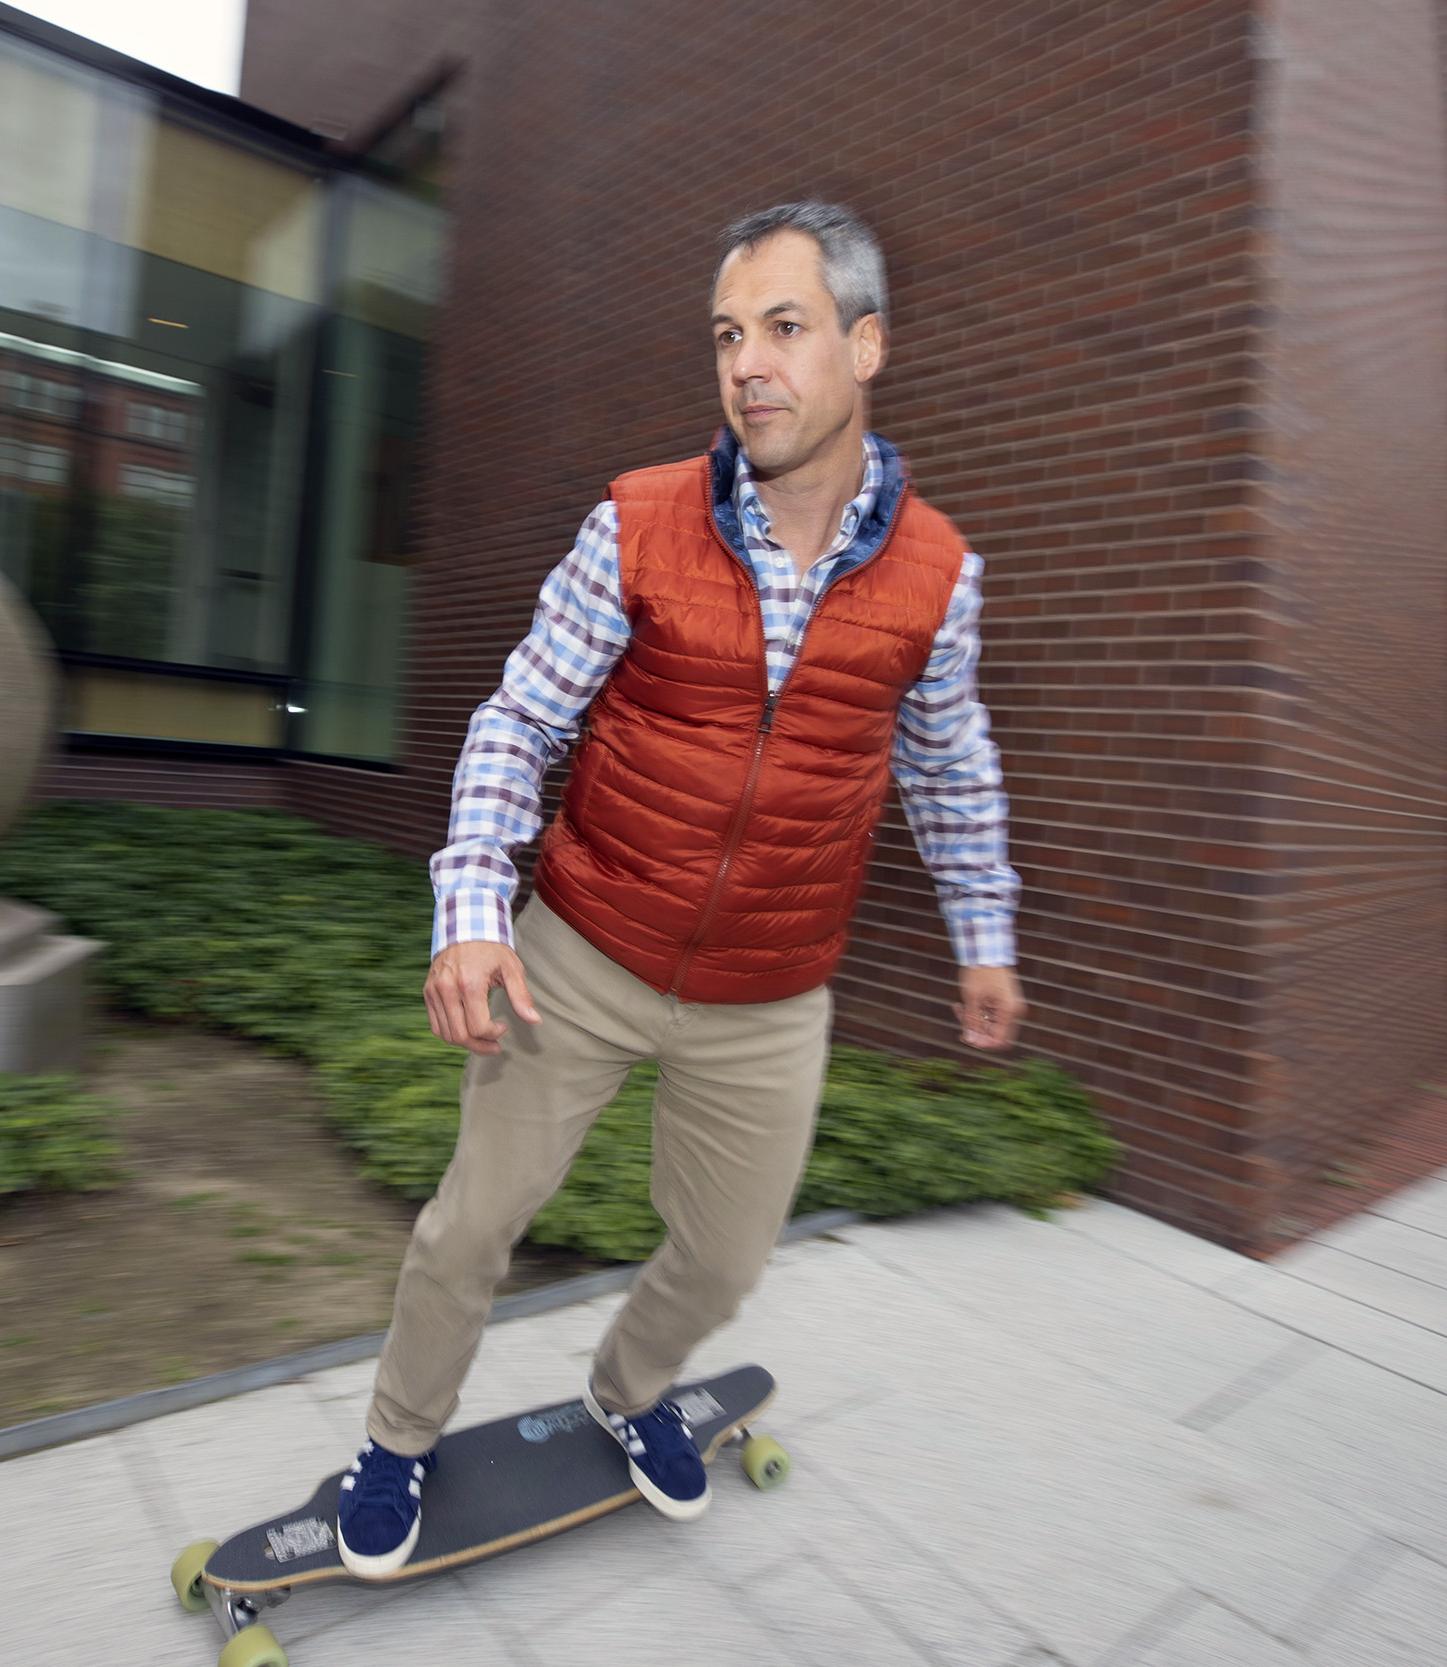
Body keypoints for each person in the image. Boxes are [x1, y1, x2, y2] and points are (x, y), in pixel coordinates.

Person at [334, 200, 1025, 1575]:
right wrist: (473, 905)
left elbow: (950, 768)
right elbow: (519, 720)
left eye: (784, 327)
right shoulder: (638, 525)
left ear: (866, 345)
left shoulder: (938, 576)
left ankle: (629, 1390)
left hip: (770, 989)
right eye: (726, 335)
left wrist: (982, 936)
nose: (747, 363)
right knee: (472, 1222)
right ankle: (396, 1443)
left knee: (723, 1259)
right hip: (581, 949)